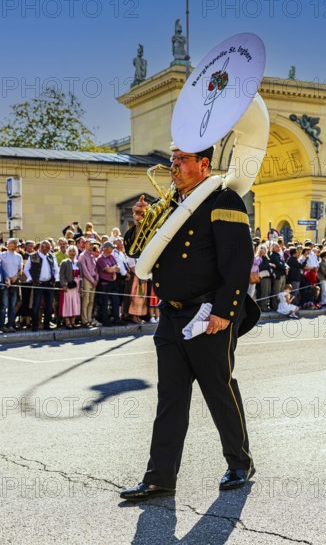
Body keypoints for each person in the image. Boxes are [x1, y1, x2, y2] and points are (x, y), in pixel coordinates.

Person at [120, 143, 260, 502]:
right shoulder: (168, 205)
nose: (173, 165)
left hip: (207, 314)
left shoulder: (223, 200)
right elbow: (139, 252)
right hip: (171, 314)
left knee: (219, 391)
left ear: (203, 163)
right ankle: (160, 477)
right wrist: (138, 224)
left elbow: (236, 262)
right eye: (172, 158)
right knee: (170, 397)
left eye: (181, 159)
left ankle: (240, 462)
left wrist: (224, 312)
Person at [24, 240, 58, 332]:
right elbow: (26, 269)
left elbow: (55, 269)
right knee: (36, 305)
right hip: (38, 283)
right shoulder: (33, 256)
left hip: (49, 283)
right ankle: (35, 325)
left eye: (49, 247)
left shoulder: (51, 256)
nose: (49, 249)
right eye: (47, 247)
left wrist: (54, 278)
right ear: (41, 247)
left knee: (49, 305)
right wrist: (30, 278)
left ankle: (47, 324)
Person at [0, 238, 23, 332]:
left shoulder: (19, 256)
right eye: (13, 243)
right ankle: (1, 325)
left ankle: (10, 325)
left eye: (15, 243)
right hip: (4, 283)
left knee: (12, 306)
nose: (15, 244)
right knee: (4, 305)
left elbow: (20, 270)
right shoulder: (2, 255)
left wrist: (16, 276)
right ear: (8, 244)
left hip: (15, 283)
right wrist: (7, 278)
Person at [96, 241, 121, 326]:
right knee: (104, 303)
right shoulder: (100, 258)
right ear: (106, 248)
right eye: (111, 247)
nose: (113, 249)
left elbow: (118, 266)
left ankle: (116, 319)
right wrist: (113, 269)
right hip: (104, 283)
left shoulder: (111, 256)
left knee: (115, 301)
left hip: (113, 282)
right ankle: (105, 320)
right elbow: (108, 270)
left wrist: (113, 270)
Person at [78, 239, 100, 328]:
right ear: (85, 245)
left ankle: (90, 319)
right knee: (86, 301)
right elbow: (84, 270)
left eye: (92, 245)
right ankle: (84, 320)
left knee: (91, 301)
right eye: (90, 245)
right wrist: (92, 280)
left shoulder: (92, 255)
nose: (91, 246)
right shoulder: (82, 256)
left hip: (94, 279)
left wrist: (97, 278)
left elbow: (96, 269)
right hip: (87, 279)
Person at [59, 246, 81, 328]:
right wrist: (64, 284)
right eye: (70, 251)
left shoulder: (78, 263)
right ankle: (67, 322)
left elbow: (80, 275)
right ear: (68, 252)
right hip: (68, 286)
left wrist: (81, 286)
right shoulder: (64, 262)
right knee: (67, 303)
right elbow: (61, 275)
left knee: (75, 303)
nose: (72, 253)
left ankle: (73, 322)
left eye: (74, 251)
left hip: (76, 286)